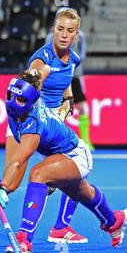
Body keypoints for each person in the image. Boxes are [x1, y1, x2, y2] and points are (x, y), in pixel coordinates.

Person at [0, 70, 127, 253]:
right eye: (11, 96)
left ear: (31, 101)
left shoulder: (33, 123)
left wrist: (2, 188)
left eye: (21, 99)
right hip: (57, 155)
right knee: (84, 193)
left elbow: (19, 160)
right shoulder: (20, 110)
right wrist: (6, 186)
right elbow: (41, 73)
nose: (14, 102)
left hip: (75, 154)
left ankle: (24, 240)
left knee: (38, 174)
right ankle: (113, 221)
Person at [0, 8, 88, 246]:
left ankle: (60, 227)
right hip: (27, 124)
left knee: (75, 172)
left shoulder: (74, 60)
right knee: (13, 181)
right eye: (60, 29)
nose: (64, 35)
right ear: (52, 30)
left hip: (51, 129)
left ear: (76, 34)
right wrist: (38, 76)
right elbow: (26, 85)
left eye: (69, 31)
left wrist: (67, 102)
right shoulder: (41, 59)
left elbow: (66, 84)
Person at [45, 10, 94, 151]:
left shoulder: (81, 36)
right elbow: (48, 55)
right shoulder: (50, 36)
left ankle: (86, 140)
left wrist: (72, 66)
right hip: (58, 77)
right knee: (57, 108)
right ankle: (56, 139)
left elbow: (82, 54)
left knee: (82, 105)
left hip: (75, 75)